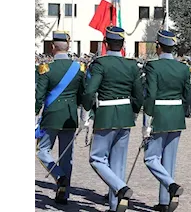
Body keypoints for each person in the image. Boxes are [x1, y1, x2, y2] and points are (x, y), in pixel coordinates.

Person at [82, 26, 144, 212]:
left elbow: (90, 91)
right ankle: (116, 205)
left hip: (106, 114)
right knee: (118, 163)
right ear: (123, 44)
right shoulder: (132, 65)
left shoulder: (100, 63)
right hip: (125, 115)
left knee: (96, 158)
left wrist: (89, 108)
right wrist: (133, 111)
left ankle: (120, 188)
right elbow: (139, 95)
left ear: (105, 44)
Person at [34, 31, 86, 205]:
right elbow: (82, 95)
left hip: (52, 116)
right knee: (66, 156)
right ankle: (64, 194)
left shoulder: (46, 68)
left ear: (52, 47)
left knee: (42, 151)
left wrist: (34, 114)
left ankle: (59, 176)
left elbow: (38, 98)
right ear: (68, 46)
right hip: (70, 116)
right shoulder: (78, 68)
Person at [143, 29, 189, 212]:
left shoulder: (153, 66)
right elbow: (187, 94)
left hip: (159, 115)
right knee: (169, 161)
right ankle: (164, 202)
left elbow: (151, 94)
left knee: (151, 158)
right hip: (176, 115)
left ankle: (171, 185)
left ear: (158, 46)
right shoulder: (183, 67)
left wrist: (147, 119)